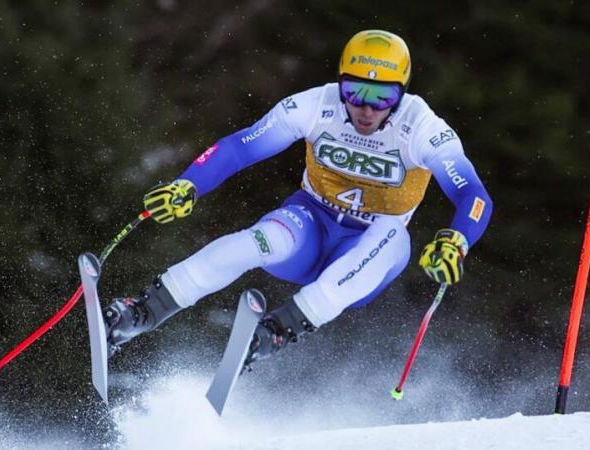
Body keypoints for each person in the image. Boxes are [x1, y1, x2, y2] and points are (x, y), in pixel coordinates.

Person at [104, 29, 493, 367]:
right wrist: (189, 185)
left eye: (382, 96)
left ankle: (276, 331)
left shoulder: (421, 127)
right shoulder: (314, 106)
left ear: (402, 92)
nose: (366, 107)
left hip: (367, 252)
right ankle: (142, 313)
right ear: (340, 81)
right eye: (354, 90)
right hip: (309, 224)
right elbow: (242, 146)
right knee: (255, 241)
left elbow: (473, 194)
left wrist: (456, 240)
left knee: (393, 232)